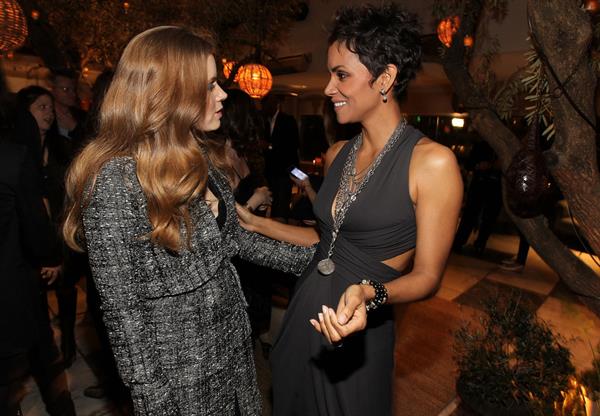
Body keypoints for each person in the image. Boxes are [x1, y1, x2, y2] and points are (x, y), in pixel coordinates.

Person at [62, 26, 315, 415]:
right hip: (181, 380)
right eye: (210, 85)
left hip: (232, 349)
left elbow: (232, 240)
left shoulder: (196, 155)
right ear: (173, 92)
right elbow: (123, 312)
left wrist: (319, 262)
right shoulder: (115, 179)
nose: (222, 95)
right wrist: (155, 403)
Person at [237, 4, 463, 415]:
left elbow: (427, 277)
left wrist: (369, 293)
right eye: (329, 73)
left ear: (386, 78)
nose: (327, 88)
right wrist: (257, 224)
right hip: (304, 314)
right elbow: (327, 242)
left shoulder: (432, 164)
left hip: (359, 329)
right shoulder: (338, 151)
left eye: (341, 74)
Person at [1, 79, 76, 415]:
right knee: (43, 359)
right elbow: (32, 221)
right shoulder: (13, 156)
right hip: (14, 281)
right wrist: (48, 256)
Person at [452, 138, 502, 255]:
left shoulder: (503, 148)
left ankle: (480, 244)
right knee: (470, 214)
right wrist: (478, 166)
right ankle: (459, 242)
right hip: (479, 185)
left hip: (496, 187)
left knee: (489, 218)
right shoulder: (481, 145)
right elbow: (469, 164)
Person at [262, 93, 300, 221]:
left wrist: (270, 146)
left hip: (284, 172)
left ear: (274, 105)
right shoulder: (265, 122)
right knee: (269, 205)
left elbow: (292, 145)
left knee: (281, 207)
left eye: (266, 106)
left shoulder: (288, 120)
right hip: (269, 173)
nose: (264, 109)